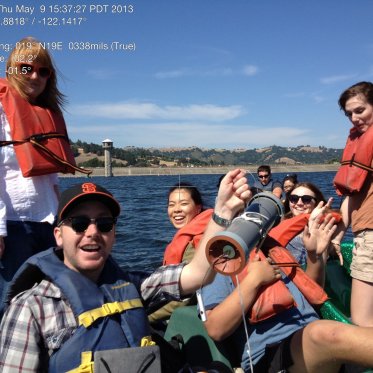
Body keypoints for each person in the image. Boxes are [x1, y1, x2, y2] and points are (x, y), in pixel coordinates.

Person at [0, 169, 251, 372]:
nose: (93, 232)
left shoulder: (133, 287)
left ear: (113, 235)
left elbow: (199, 274)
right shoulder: (30, 308)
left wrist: (224, 212)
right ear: (58, 235)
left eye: (105, 224)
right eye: (79, 223)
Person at [200, 207, 373, 373]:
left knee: (322, 333)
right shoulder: (221, 265)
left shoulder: (273, 250)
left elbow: (311, 292)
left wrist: (314, 255)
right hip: (272, 356)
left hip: (313, 347)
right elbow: (215, 328)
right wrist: (253, 280)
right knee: (321, 333)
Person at [0, 37, 81, 317]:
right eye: (27, 68)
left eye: (43, 70)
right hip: (13, 225)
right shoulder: (2, 110)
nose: (35, 75)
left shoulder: (47, 114)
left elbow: (51, 179)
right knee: (10, 302)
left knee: (48, 299)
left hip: (46, 222)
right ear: (13, 69)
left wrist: (62, 222)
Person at [333, 81, 373, 327]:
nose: (354, 118)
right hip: (363, 233)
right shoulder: (360, 144)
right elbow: (352, 195)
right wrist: (337, 236)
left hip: (371, 235)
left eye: (360, 110)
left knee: (362, 320)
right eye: (349, 114)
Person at [148, 183, 213, 325]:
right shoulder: (195, 232)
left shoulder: (198, 242)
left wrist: (144, 316)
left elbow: (185, 296)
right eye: (171, 205)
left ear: (198, 207)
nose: (176, 210)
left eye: (183, 204)